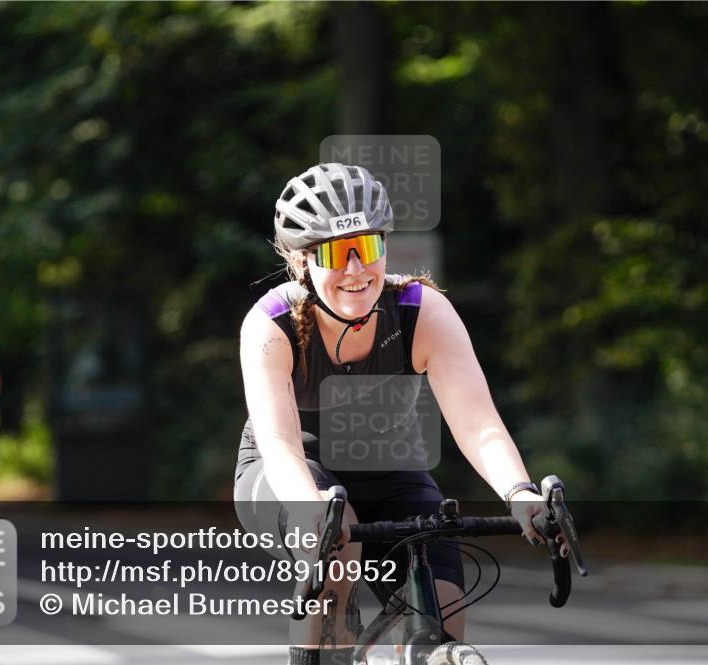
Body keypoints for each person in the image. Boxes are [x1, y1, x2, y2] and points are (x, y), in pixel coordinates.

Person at [234, 163, 569, 665]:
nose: (355, 269)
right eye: (334, 253)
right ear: (303, 263)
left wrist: (520, 496)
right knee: (335, 554)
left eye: (367, 248)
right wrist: (313, 513)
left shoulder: (420, 311)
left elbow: (479, 424)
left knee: (443, 607)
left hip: (389, 469)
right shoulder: (270, 324)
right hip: (289, 473)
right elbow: (280, 446)